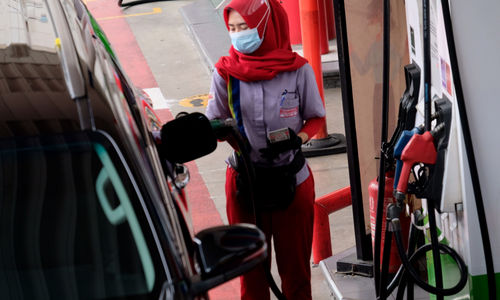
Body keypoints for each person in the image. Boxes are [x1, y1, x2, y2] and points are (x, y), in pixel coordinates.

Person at [205, 0, 325, 299]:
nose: (237, 35)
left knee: (296, 275)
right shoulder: (225, 73)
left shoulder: (298, 70)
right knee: (251, 277)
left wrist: (299, 138)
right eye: (232, 29)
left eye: (244, 27)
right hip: (245, 186)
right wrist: (219, 130)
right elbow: (212, 123)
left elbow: (316, 117)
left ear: (264, 26)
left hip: (291, 185)